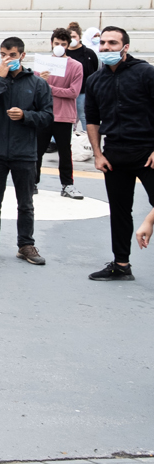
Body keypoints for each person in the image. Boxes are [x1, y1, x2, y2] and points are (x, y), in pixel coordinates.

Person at [0, 37, 53, 266]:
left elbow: (48, 117)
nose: (7, 59)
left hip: (24, 152)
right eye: (3, 55)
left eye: (12, 55)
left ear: (22, 56)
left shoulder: (38, 84)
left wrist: (26, 116)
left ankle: (26, 244)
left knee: (25, 203)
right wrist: (0, 79)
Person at [84, 26, 154, 281]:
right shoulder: (95, 80)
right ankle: (121, 265)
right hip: (114, 154)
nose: (106, 47)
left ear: (125, 47)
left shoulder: (145, 72)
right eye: (103, 43)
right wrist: (97, 154)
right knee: (120, 211)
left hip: (146, 152)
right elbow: (92, 120)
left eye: (112, 43)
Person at [37, 28, 85, 200]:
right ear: (52, 43)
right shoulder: (42, 64)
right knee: (37, 151)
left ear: (68, 45)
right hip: (43, 114)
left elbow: (73, 92)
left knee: (65, 152)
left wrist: (48, 87)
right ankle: (31, 183)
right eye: (57, 43)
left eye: (63, 44)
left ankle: (67, 185)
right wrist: (40, 83)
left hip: (64, 115)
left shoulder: (76, 66)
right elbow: (35, 89)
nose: (59, 47)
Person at [66, 21, 99, 130]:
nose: (72, 39)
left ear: (79, 37)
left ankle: (88, 137)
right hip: (67, 90)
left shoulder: (89, 53)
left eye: (74, 36)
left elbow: (94, 69)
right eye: (69, 37)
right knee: (66, 116)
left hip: (83, 90)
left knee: (84, 115)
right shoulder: (63, 53)